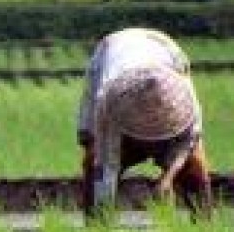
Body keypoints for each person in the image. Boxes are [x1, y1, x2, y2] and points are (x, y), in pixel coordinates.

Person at [77, 28, 211, 218]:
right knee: (92, 162)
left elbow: (190, 140)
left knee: (195, 167)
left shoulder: (184, 98)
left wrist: (168, 178)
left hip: (164, 47)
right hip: (111, 53)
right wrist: (103, 210)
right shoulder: (109, 104)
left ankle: (205, 229)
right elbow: (107, 166)